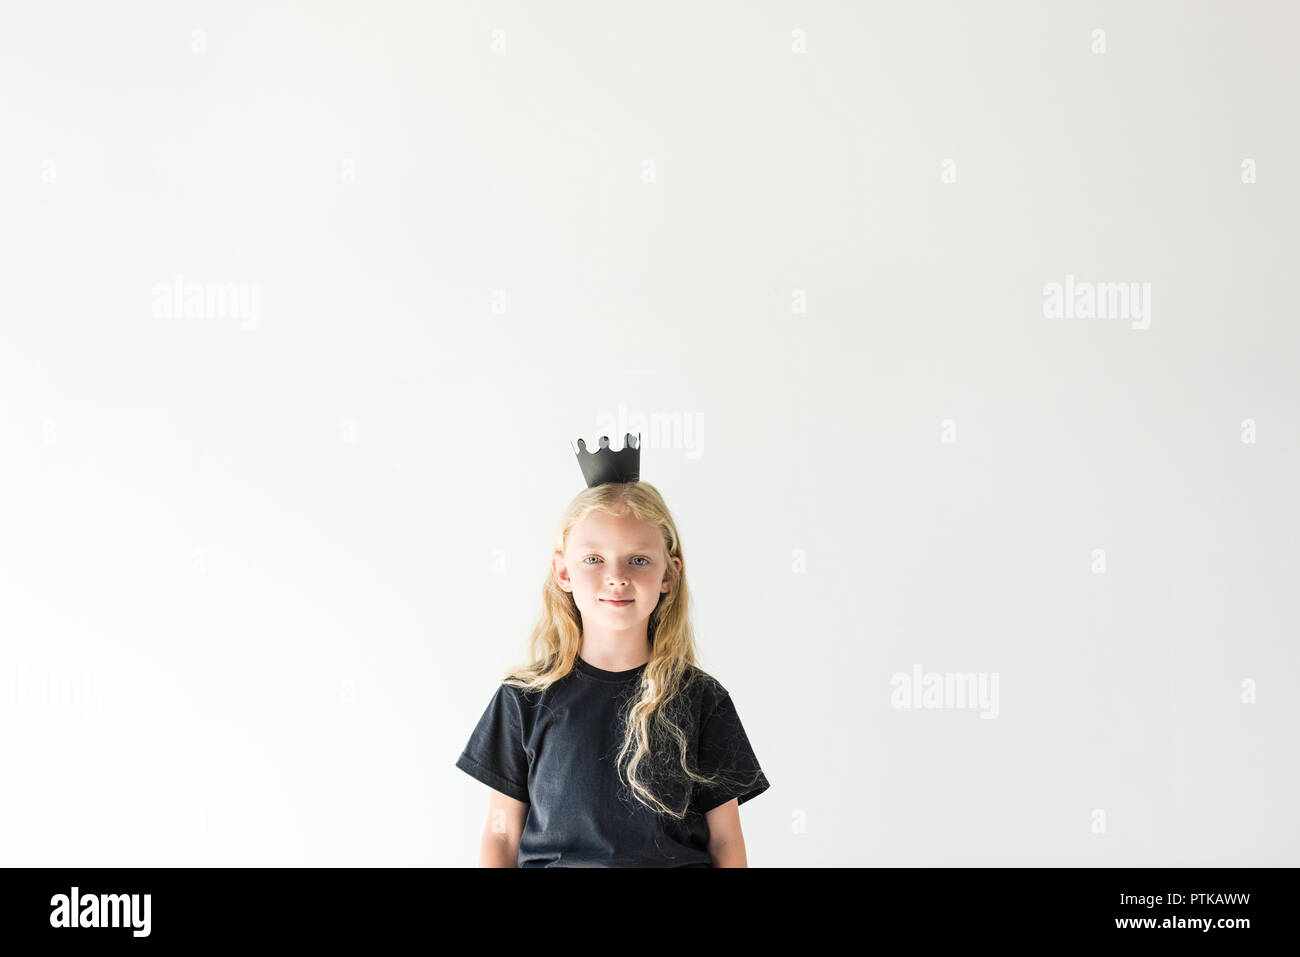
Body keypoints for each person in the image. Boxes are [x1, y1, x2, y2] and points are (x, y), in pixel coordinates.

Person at [454, 434, 770, 867]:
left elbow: (726, 843)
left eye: (638, 560)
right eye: (594, 560)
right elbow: (502, 839)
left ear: (668, 574)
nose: (616, 577)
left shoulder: (702, 700)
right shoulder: (523, 699)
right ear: (563, 571)